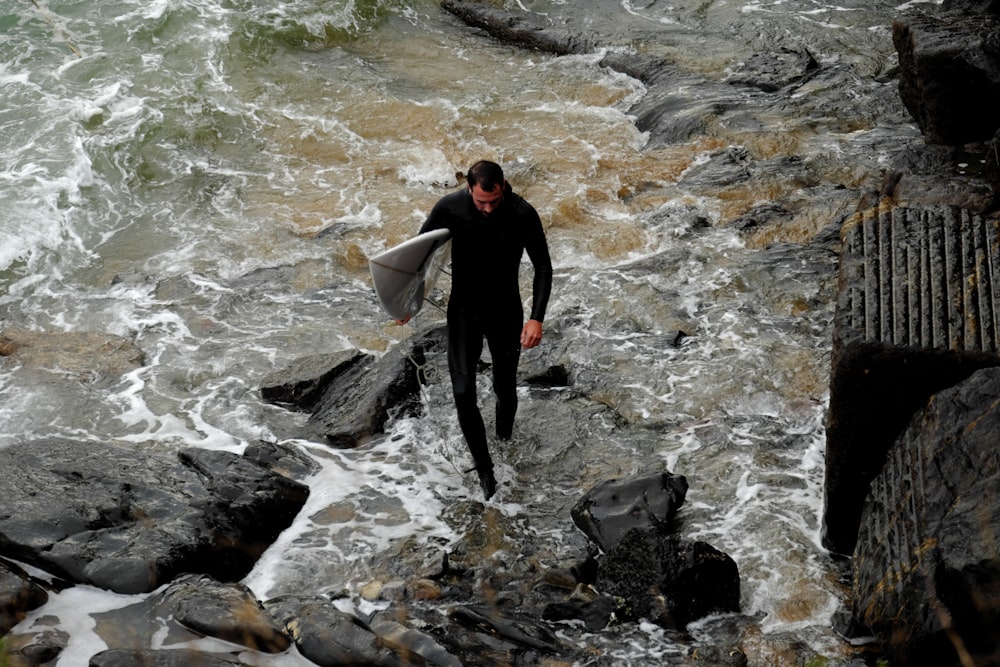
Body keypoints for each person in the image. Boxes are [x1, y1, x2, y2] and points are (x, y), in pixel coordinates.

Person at [418, 160, 553, 500]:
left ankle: (504, 438)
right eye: (482, 202)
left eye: (495, 200)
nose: (489, 208)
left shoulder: (522, 213)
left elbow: (542, 267)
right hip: (464, 311)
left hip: (505, 312)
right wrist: (405, 302)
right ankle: (485, 470)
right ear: (469, 189)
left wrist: (536, 317)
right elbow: (419, 255)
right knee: (463, 392)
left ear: (504, 185)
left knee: (504, 388)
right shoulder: (449, 208)